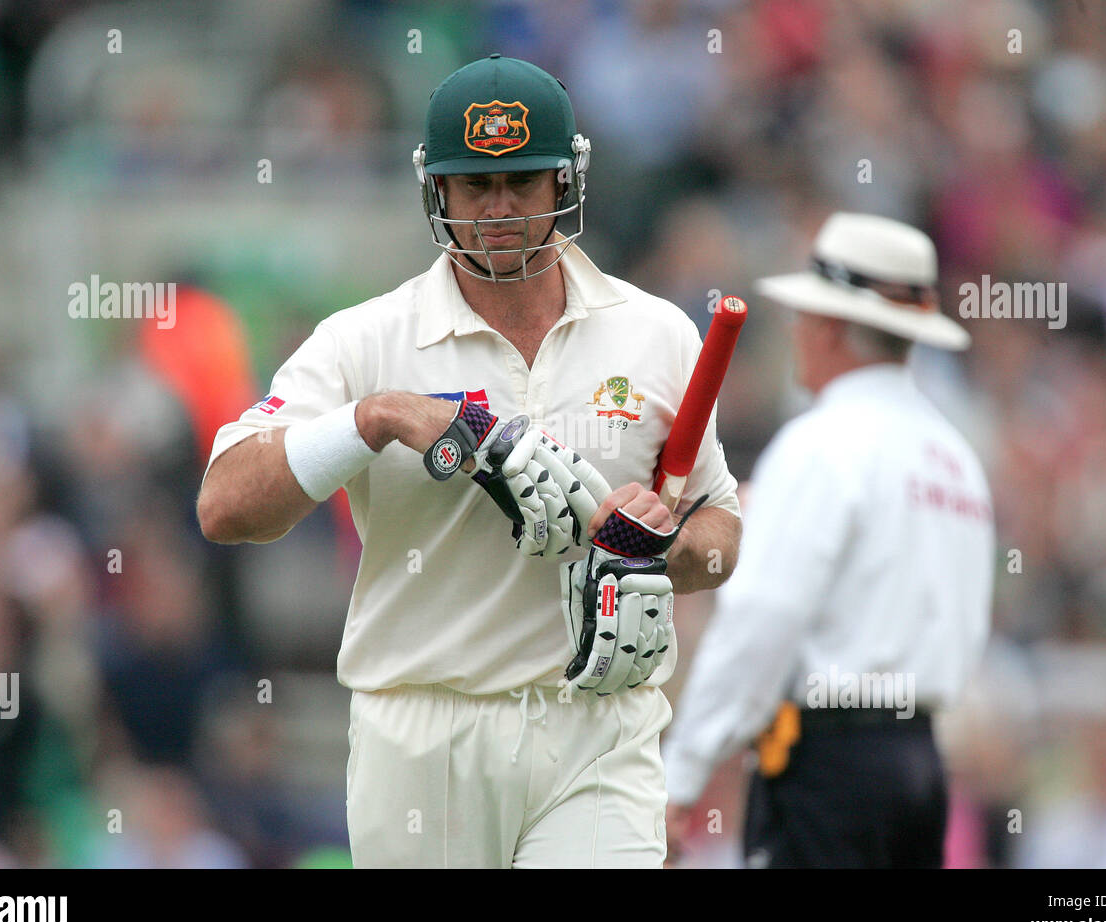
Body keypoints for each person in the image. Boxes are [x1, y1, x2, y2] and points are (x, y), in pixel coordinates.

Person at [197, 55, 742, 868]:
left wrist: (662, 548)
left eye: (520, 183)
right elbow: (226, 505)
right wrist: (377, 417)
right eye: (473, 186)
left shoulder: (655, 332)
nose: (496, 211)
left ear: (565, 183)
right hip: (425, 732)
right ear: (436, 191)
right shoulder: (368, 340)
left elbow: (720, 531)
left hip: (598, 727)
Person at [662, 212, 995, 868]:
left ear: (832, 325)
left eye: (804, 313)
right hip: (921, 767)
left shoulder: (819, 445)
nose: (794, 329)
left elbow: (761, 619)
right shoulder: (955, 459)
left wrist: (682, 776)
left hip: (828, 771)